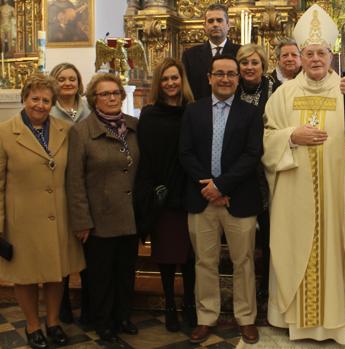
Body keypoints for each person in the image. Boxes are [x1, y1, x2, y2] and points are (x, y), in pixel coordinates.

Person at [263, 5, 345, 344]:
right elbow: (267, 139)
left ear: (332, 55)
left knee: (334, 251)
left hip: (335, 195)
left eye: (322, 52)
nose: (315, 58)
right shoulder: (284, 94)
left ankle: (334, 320)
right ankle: (292, 318)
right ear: (299, 56)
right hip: (294, 193)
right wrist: (290, 137)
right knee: (295, 248)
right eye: (309, 53)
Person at [179, 55, 263, 345]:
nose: (225, 79)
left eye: (231, 74)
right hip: (201, 199)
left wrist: (222, 186)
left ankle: (246, 318)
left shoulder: (250, 113)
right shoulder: (193, 111)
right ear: (209, 78)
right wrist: (210, 186)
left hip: (238, 199)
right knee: (205, 261)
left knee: (244, 261)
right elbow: (185, 152)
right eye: (220, 74)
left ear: (238, 79)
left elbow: (253, 154)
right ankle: (206, 317)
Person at [0, 73, 85, 349]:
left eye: (46, 100)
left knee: (56, 272)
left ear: (53, 103)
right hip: (21, 219)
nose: (40, 105)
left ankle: (53, 322)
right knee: (25, 276)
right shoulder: (4, 133)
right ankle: (33, 325)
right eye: (35, 98)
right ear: (24, 98)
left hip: (59, 216)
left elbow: (74, 177)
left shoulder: (65, 130)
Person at [66, 73, 140, 343]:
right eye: (104, 94)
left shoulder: (134, 126)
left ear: (122, 96)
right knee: (101, 275)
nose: (111, 98)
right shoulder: (81, 131)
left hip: (130, 215)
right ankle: (104, 321)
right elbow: (74, 180)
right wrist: (81, 220)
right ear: (93, 99)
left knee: (125, 271)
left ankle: (122, 316)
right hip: (99, 218)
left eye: (115, 93)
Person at [133, 58, 197, 332]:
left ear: (182, 81)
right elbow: (145, 155)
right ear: (159, 83)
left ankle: (190, 305)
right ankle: (170, 303)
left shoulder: (193, 112)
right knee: (168, 256)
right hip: (163, 194)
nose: (171, 83)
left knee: (191, 257)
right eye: (165, 79)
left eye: (175, 78)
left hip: (190, 192)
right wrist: (154, 189)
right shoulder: (149, 114)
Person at [236, 43, 280, 299]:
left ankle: (268, 284)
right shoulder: (231, 89)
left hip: (269, 168)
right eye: (244, 63)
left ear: (264, 66)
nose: (249, 67)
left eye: (254, 62)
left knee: (271, 231)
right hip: (240, 168)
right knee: (242, 234)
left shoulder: (278, 91)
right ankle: (246, 286)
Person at [48, 62, 91, 325]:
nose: (67, 83)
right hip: (60, 185)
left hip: (88, 184)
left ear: (78, 82)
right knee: (62, 250)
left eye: (72, 79)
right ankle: (62, 304)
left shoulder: (88, 109)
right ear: (54, 82)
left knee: (87, 251)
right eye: (61, 79)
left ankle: (88, 304)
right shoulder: (49, 111)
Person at [182, 3, 240, 100]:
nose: (215, 24)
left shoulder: (240, 52)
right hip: (200, 111)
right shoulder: (190, 55)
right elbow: (186, 88)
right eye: (211, 21)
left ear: (228, 25)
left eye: (219, 20)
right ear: (204, 26)